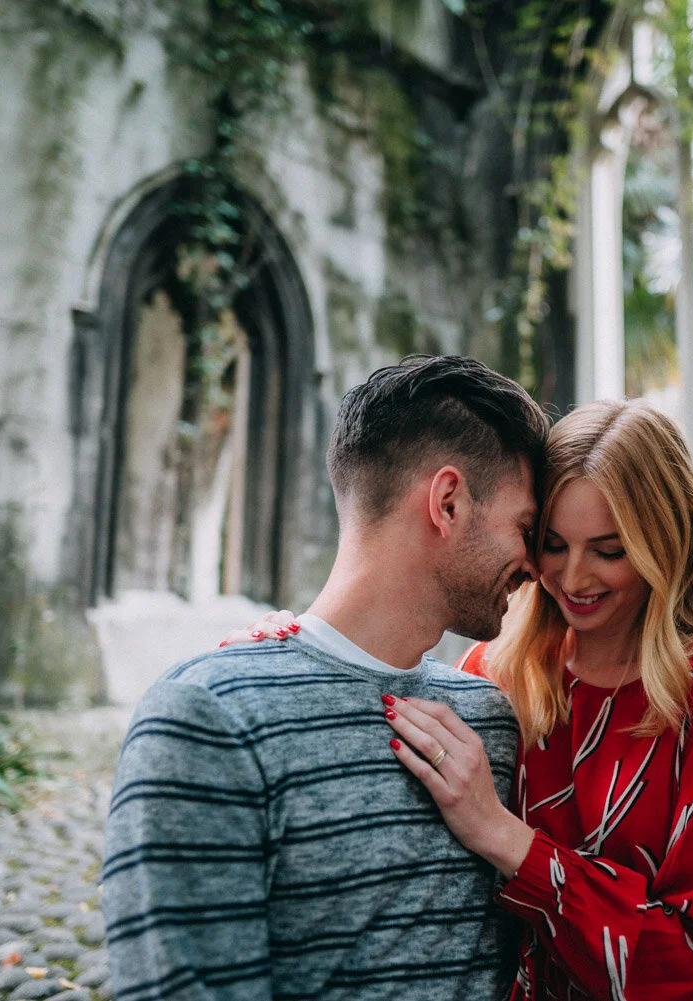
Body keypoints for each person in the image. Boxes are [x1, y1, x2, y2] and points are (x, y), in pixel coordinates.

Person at [237, 399, 693, 1001]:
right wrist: (294, 651)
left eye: (609, 550)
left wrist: (502, 835)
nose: (574, 579)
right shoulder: (496, 671)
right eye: (552, 544)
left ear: (668, 543)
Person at [101, 355, 550, 1001]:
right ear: (447, 502)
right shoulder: (206, 719)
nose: (537, 565)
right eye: (526, 530)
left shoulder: (489, 719)